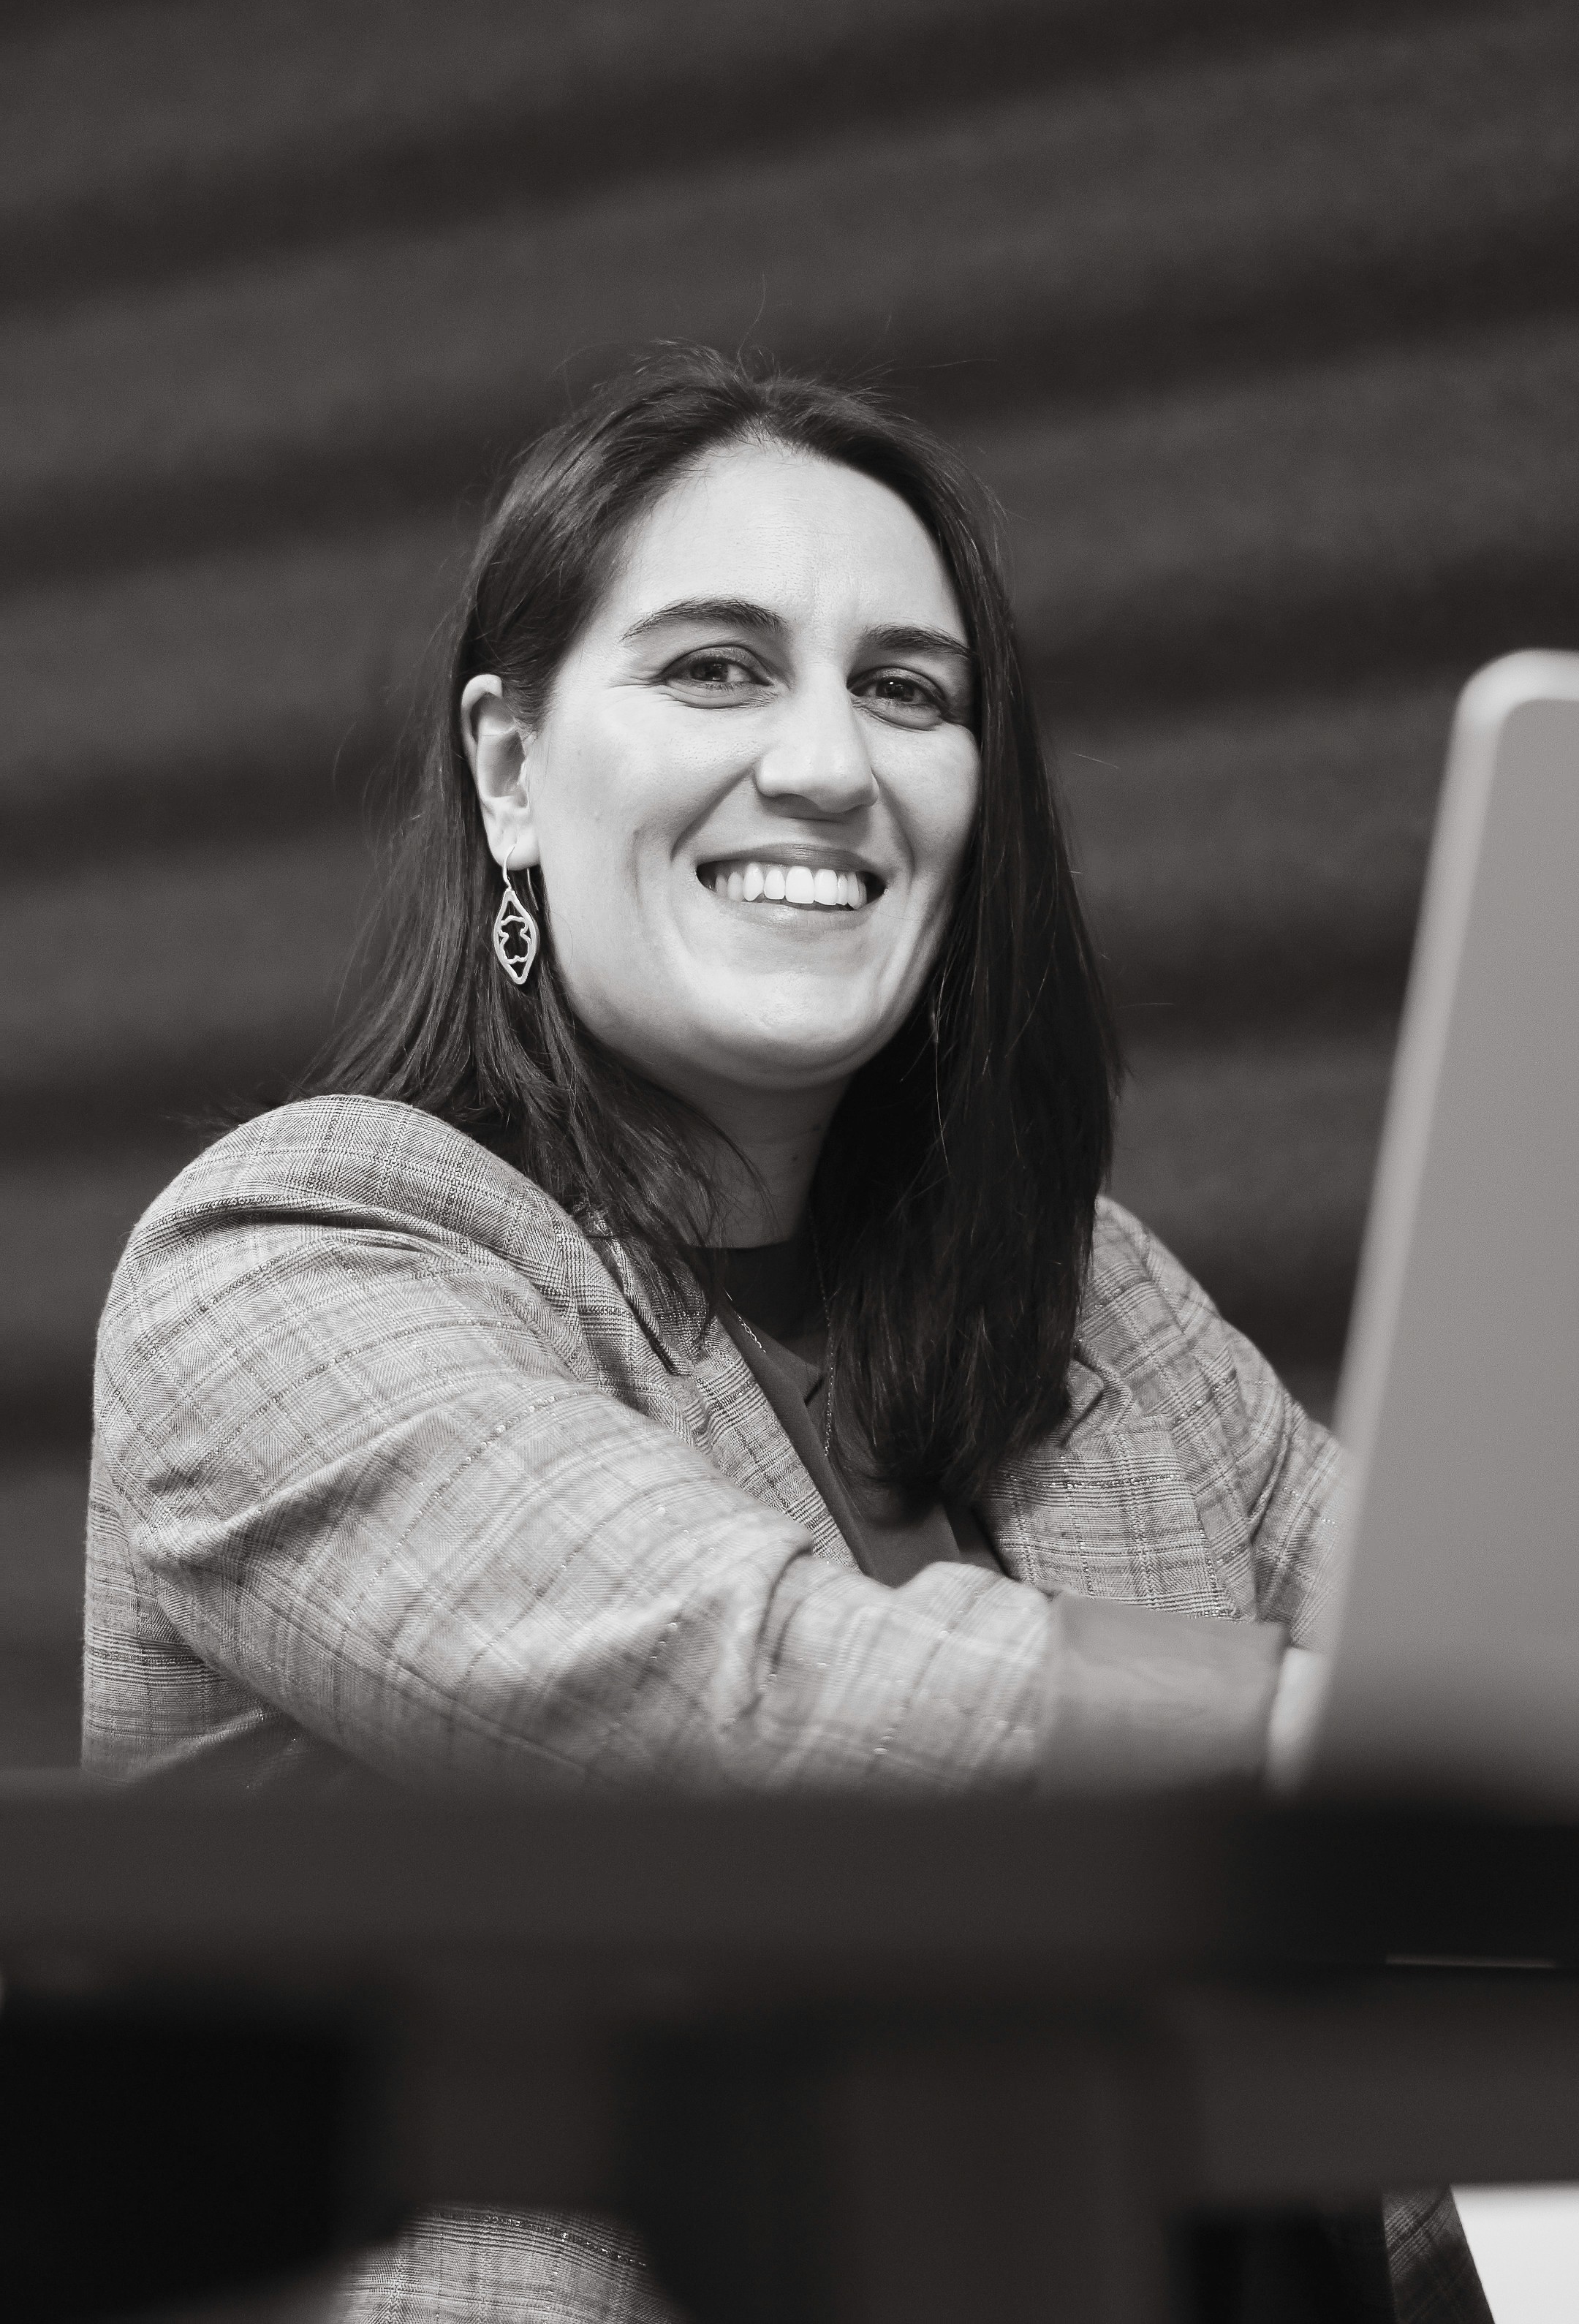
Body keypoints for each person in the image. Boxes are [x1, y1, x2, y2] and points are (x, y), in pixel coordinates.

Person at [86, 352, 1485, 2322]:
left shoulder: (1104, 1306)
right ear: (509, 770)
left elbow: (1474, 1671)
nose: (829, 764)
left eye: (906, 690)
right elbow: (747, 1692)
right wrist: (1332, 1739)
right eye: (719, 668)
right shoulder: (291, 1259)